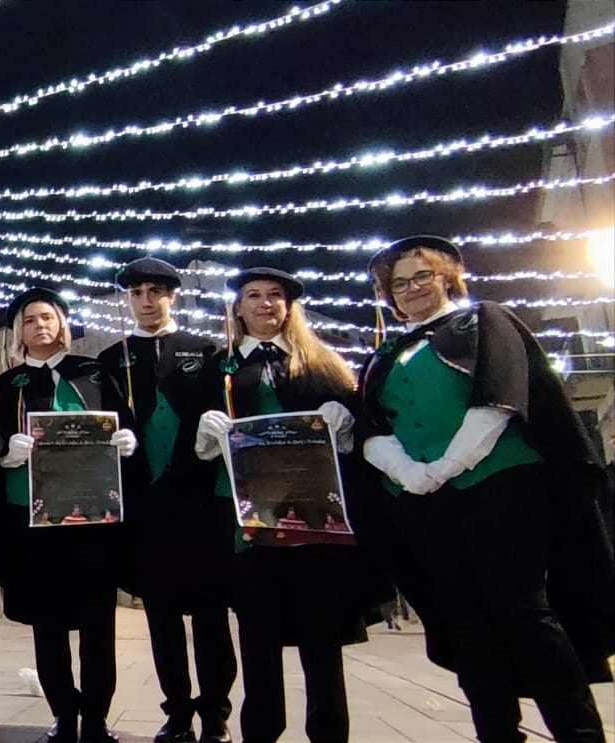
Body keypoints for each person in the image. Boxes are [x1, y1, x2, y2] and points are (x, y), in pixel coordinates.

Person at [358, 235, 613, 742]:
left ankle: (578, 732)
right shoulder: (387, 353)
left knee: (523, 612)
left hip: (501, 487)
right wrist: (410, 473)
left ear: (448, 275)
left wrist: (447, 464)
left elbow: (500, 398)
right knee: (465, 622)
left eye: (421, 276)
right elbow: (371, 428)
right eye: (399, 283)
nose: (410, 289)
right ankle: (496, 733)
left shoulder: (483, 320)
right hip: (424, 503)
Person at [194, 268, 383, 743]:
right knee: (257, 643)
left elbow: (357, 444)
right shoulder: (218, 370)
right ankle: (261, 733)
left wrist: (344, 426)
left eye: (274, 296)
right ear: (238, 308)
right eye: (253, 296)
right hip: (249, 529)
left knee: (322, 644)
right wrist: (203, 440)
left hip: (314, 525)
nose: (264, 304)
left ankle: (328, 733)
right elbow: (193, 460)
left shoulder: (321, 364)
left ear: (288, 305)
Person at [0, 287, 141, 743]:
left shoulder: (93, 373)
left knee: (97, 627)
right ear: (19, 332)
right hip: (34, 525)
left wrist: (127, 441)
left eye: (48, 317)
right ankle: (64, 715)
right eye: (30, 320)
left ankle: (96, 717)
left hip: (92, 522)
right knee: (48, 627)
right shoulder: (7, 387)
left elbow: (122, 423)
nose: (40, 326)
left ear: (62, 324)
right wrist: (6, 453)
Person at [98, 258, 234, 743]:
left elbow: (227, 416)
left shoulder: (206, 351)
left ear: (173, 295)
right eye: (137, 294)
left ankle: (215, 713)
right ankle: (177, 710)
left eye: (156, 292)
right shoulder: (113, 358)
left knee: (210, 616)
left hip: (197, 503)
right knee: (162, 619)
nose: (146, 302)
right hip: (145, 507)